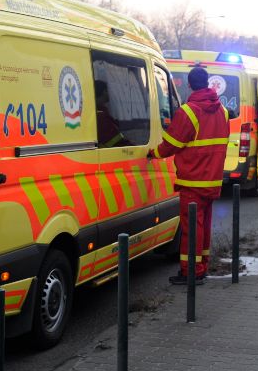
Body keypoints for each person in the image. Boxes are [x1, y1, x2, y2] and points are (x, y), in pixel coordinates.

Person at [148, 66, 229, 285]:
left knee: (191, 229)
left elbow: (171, 144)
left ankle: (190, 272)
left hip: (193, 180)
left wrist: (152, 153)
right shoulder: (223, 111)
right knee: (203, 225)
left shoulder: (188, 111)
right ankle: (201, 266)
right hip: (212, 180)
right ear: (209, 84)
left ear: (191, 84)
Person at [95, 80, 129, 148]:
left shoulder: (98, 112)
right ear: (105, 92)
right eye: (109, 91)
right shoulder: (101, 117)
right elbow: (118, 143)